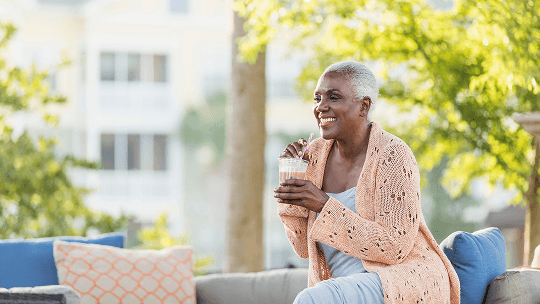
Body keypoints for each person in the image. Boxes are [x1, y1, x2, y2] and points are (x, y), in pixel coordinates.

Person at [273, 61, 460, 304]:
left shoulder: (393, 155)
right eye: (317, 98)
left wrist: (323, 204)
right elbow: (302, 248)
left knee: (311, 300)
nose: (321, 107)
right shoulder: (314, 156)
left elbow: (394, 247)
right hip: (343, 286)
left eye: (334, 97)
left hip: (398, 281)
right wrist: (291, 186)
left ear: (363, 106)